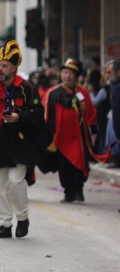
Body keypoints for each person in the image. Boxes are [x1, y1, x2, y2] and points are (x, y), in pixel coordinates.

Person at [0, 41, 47, 239]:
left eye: (4, 65)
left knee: (16, 181)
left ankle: (23, 217)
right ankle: (5, 224)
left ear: (14, 68)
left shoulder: (26, 88)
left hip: (19, 143)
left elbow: (38, 114)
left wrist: (19, 118)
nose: (0, 69)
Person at [41, 58, 110, 203]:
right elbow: (43, 114)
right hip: (59, 138)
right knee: (63, 167)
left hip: (79, 137)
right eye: (65, 72)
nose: (67, 76)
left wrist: (94, 133)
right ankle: (68, 192)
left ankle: (79, 191)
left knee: (79, 166)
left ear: (76, 76)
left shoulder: (83, 93)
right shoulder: (52, 93)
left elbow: (91, 114)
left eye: (71, 73)